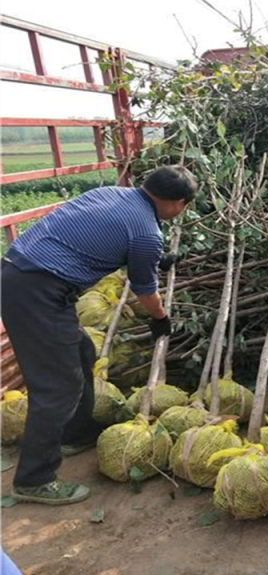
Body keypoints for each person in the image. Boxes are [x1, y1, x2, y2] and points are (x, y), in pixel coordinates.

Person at [1, 165, 197, 505]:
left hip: (21, 274)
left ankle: (75, 434)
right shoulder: (147, 233)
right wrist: (160, 319)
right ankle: (34, 479)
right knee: (58, 386)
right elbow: (144, 289)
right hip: (38, 292)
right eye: (184, 206)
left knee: (82, 353)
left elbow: (96, 237)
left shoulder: (109, 193)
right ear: (177, 203)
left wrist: (155, 259)